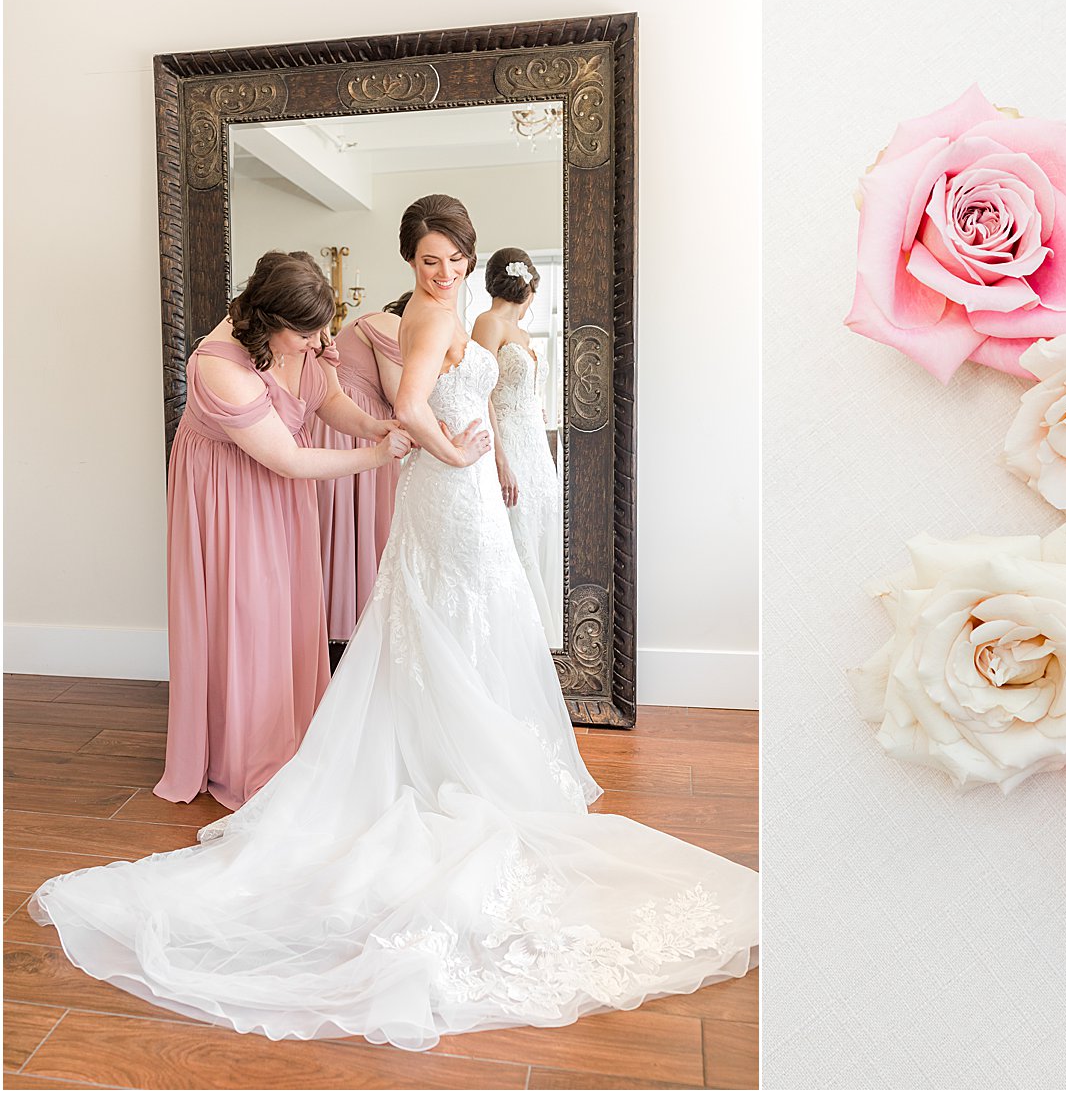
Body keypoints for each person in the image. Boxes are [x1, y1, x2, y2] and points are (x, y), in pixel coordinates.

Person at [31, 195, 758, 1051]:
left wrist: (390, 430)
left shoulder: (389, 328)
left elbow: (341, 399)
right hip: (329, 489)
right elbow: (330, 439)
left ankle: (417, 742)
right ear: (410, 262)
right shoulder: (255, 358)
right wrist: (422, 447)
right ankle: (298, 753)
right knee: (409, 617)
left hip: (452, 490)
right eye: (428, 260)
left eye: (454, 259)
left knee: (460, 615)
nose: (442, 273)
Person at [156, 251, 410, 810]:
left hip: (278, 491)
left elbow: (330, 398)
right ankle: (246, 754)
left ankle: (295, 737)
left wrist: (374, 424)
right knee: (248, 616)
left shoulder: (302, 341)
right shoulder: (219, 367)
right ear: (271, 321)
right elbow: (290, 460)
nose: (322, 345)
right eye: (310, 334)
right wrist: (374, 455)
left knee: (290, 611)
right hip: (229, 494)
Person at [312, 292, 411, 642]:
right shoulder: (390, 323)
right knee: (345, 526)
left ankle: (349, 630)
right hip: (350, 427)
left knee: (360, 528)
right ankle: (340, 636)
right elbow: (403, 400)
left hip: (361, 427)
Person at [473, 248, 562, 636]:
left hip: (534, 442)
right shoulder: (488, 323)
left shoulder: (524, 334)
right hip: (506, 440)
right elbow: (480, 393)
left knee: (542, 523)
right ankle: (518, 634)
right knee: (516, 528)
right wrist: (500, 459)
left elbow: (520, 387)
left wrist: (533, 408)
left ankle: (547, 633)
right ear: (526, 287)